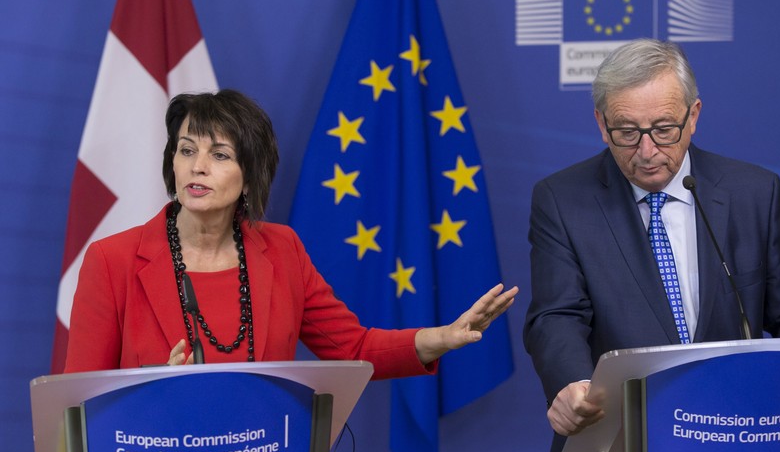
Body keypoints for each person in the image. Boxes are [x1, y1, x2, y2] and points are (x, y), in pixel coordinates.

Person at [523, 38, 780, 452]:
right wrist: (570, 384)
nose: (647, 152)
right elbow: (556, 316)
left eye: (664, 130)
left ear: (693, 116)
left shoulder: (754, 191)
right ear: (601, 123)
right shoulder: (562, 200)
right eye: (626, 132)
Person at [64, 89, 517, 376]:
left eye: (220, 155)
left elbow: (352, 347)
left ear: (252, 174)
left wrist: (442, 336)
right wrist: (145, 395)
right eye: (186, 150)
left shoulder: (282, 251)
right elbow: (77, 403)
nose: (197, 166)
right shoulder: (113, 261)